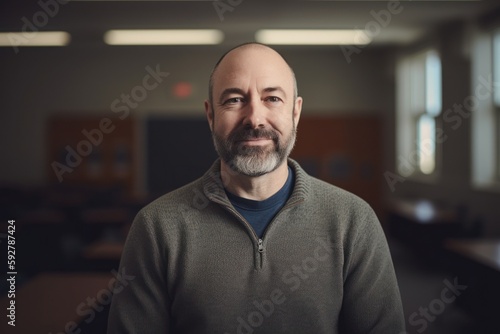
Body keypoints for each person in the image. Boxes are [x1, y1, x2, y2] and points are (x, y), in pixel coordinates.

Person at [108, 42, 405, 333]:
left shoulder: (353, 220)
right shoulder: (157, 226)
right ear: (211, 115)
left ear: (295, 112)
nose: (254, 118)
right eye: (235, 100)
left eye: (272, 98)